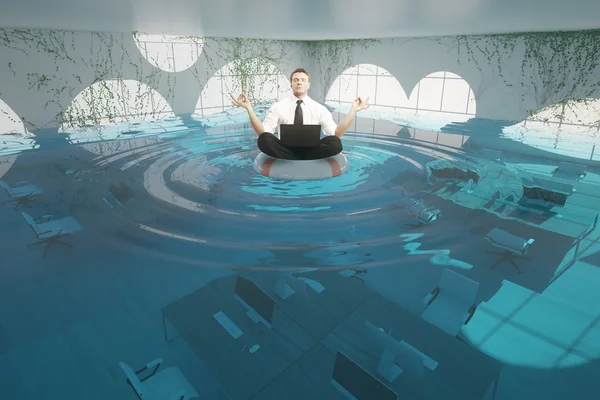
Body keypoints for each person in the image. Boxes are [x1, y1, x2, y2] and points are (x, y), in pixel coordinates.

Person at [230, 67, 370, 160]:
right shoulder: (278, 106)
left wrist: (353, 111)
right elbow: (263, 132)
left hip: (311, 150)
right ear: (291, 84)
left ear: (308, 84)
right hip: (284, 149)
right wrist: (249, 109)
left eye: (303, 80)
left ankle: (295, 158)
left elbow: (336, 133)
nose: (299, 83)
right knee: (264, 139)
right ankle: (296, 158)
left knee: (335, 143)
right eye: (295, 80)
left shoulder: (319, 108)